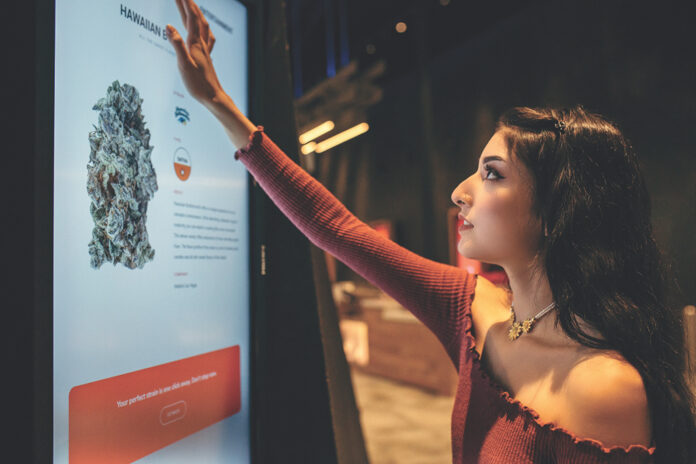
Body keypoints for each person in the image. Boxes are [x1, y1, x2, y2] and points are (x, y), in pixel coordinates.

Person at [166, 1, 695, 462]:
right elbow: (338, 230)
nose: (459, 191)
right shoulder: (474, 310)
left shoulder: (606, 390)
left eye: (492, 174)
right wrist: (217, 102)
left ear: (556, 209)